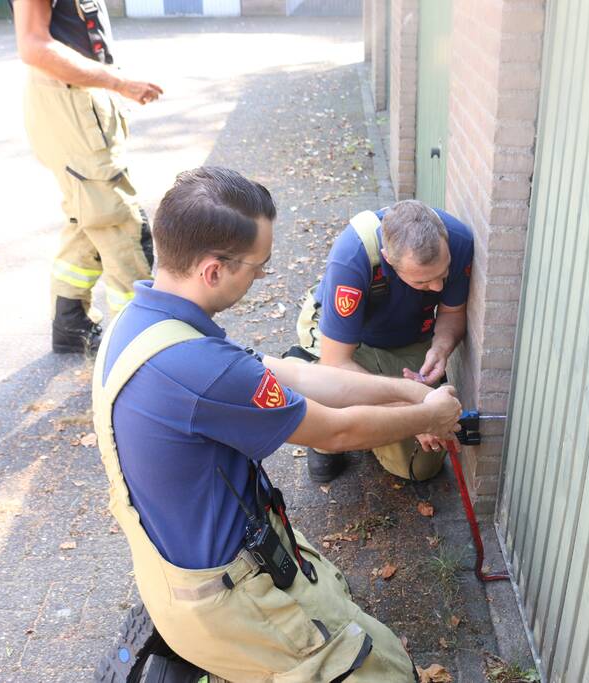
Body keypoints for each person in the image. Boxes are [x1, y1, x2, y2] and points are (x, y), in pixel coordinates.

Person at [92, 167, 461, 681]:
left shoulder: (145, 326)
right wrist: (428, 415)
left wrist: (408, 392)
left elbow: (296, 374)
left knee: (335, 598)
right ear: (213, 270)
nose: (261, 278)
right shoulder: (200, 371)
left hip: (192, 563)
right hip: (226, 598)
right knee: (389, 673)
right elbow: (336, 432)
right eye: (259, 267)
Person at [11, 0, 162, 354]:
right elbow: (33, 44)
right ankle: (138, 347)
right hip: (71, 99)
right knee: (119, 221)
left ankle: (70, 323)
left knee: (88, 213)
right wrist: (119, 82)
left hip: (81, 96)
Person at [291, 200, 474, 483]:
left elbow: (451, 312)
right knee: (327, 391)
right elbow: (336, 363)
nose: (437, 287)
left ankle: (367, 424)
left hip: (407, 336)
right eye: (423, 283)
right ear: (389, 260)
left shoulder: (459, 240)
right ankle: (327, 439)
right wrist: (417, 416)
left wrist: (441, 348)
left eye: (443, 274)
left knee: (421, 468)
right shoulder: (352, 255)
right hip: (347, 344)